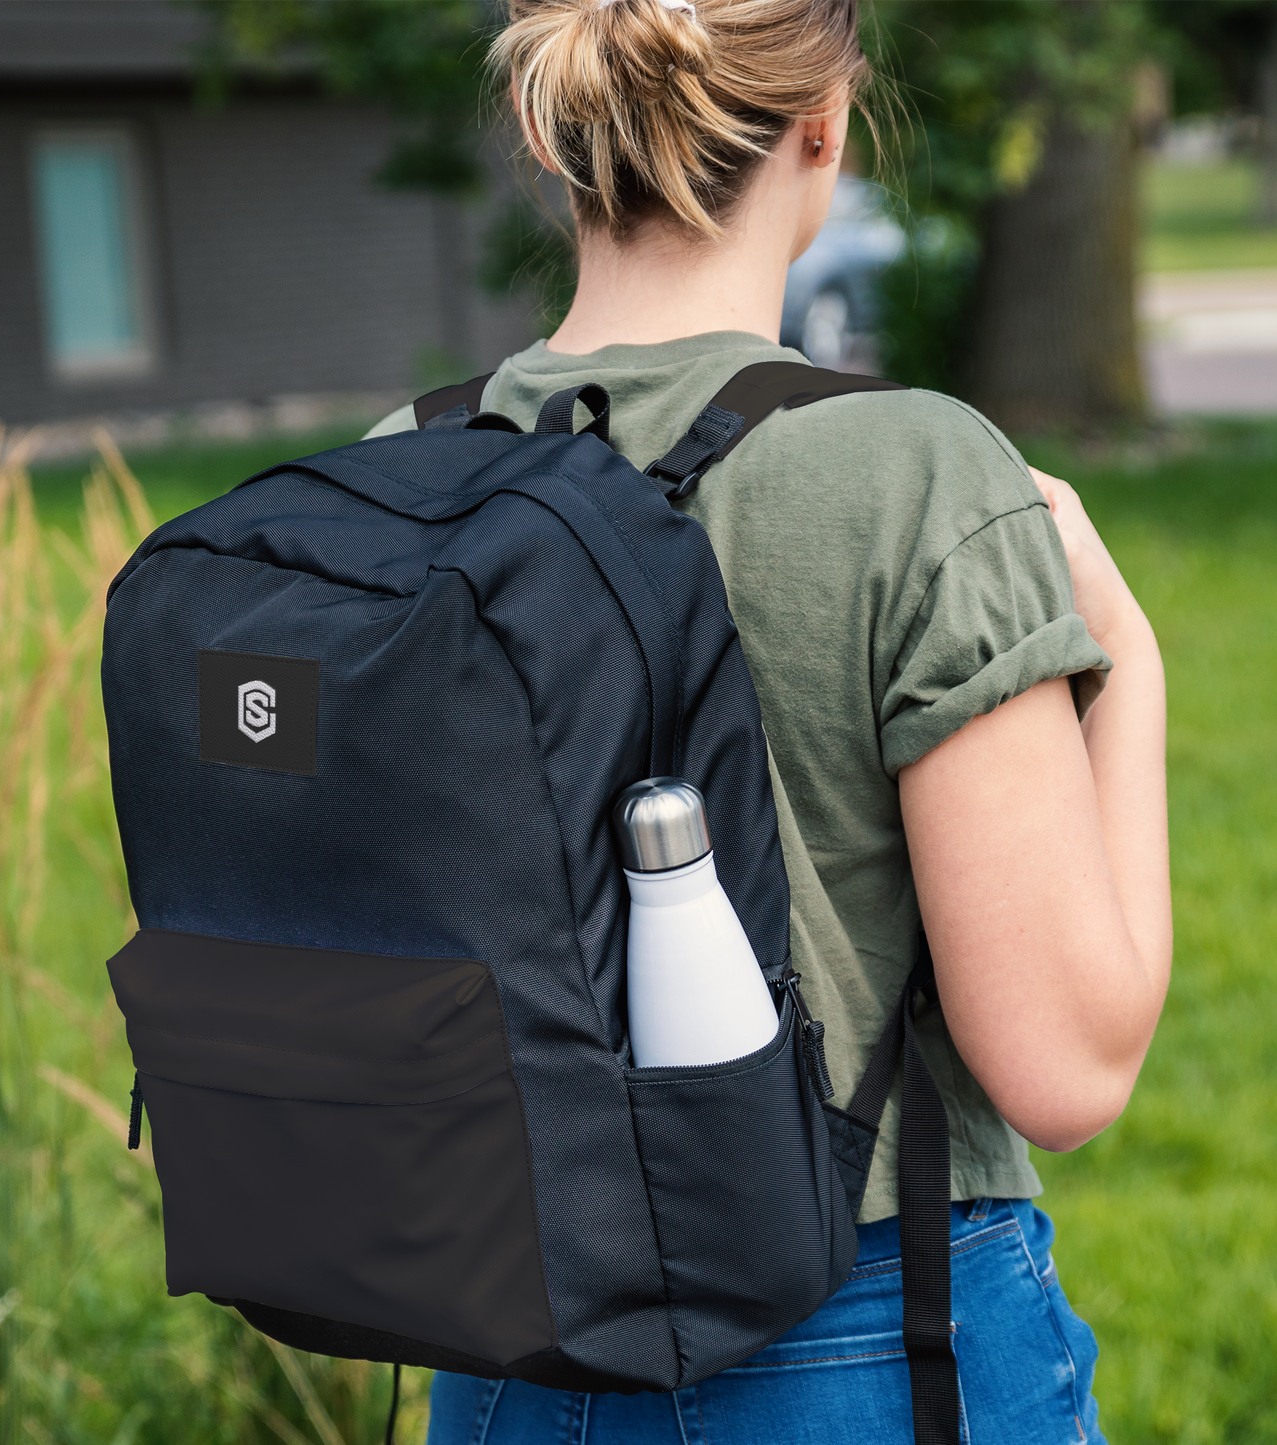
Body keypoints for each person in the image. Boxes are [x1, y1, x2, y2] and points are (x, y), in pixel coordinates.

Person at [366, 0, 1171, 1438]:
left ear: (551, 134)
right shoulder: (913, 475)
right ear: (828, 128)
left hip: (511, 1356)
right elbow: (1067, 1066)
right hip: (870, 1336)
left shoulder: (400, 480)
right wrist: (1131, 657)